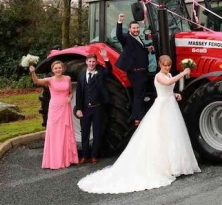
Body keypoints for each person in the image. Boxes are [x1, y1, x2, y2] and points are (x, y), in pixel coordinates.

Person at [78, 55, 200, 194]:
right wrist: (183, 73)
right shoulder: (159, 76)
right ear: (160, 64)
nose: (167, 67)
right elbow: (167, 83)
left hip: (170, 105)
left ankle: (177, 166)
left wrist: (175, 95)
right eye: (165, 65)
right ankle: (163, 166)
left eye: (169, 65)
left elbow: (168, 89)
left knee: (173, 134)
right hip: (162, 107)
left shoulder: (170, 74)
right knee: (160, 133)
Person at [30, 61, 78, 169]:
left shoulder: (67, 78)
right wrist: (33, 72)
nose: (58, 70)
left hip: (65, 107)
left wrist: (69, 98)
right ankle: (55, 160)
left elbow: (70, 92)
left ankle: (66, 159)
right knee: (55, 133)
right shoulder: (50, 80)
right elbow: (37, 81)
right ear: (53, 70)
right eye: (56, 68)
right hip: (54, 109)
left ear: (62, 68)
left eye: (59, 68)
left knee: (65, 132)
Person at [115, 13, 154, 126]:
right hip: (135, 72)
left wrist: (148, 49)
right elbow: (119, 36)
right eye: (134, 28)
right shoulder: (127, 38)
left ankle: (140, 115)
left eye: (137, 28)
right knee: (138, 95)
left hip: (142, 71)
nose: (136, 29)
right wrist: (119, 21)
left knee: (141, 94)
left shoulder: (138, 37)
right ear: (130, 29)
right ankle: (137, 118)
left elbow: (137, 52)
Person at [75, 49, 112, 165]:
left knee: (97, 132)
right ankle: (85, 155)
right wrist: (79, 109)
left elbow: (109, 71)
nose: (91, 64)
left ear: (96, 63)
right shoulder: (81, 75)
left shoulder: (100, 73)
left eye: (93, 62)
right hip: (85, 109)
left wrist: (106, 58)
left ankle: (94, 156)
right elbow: (79, 93)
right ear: (86, 62)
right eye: (90, 61)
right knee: (84, 133)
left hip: (98, 108)